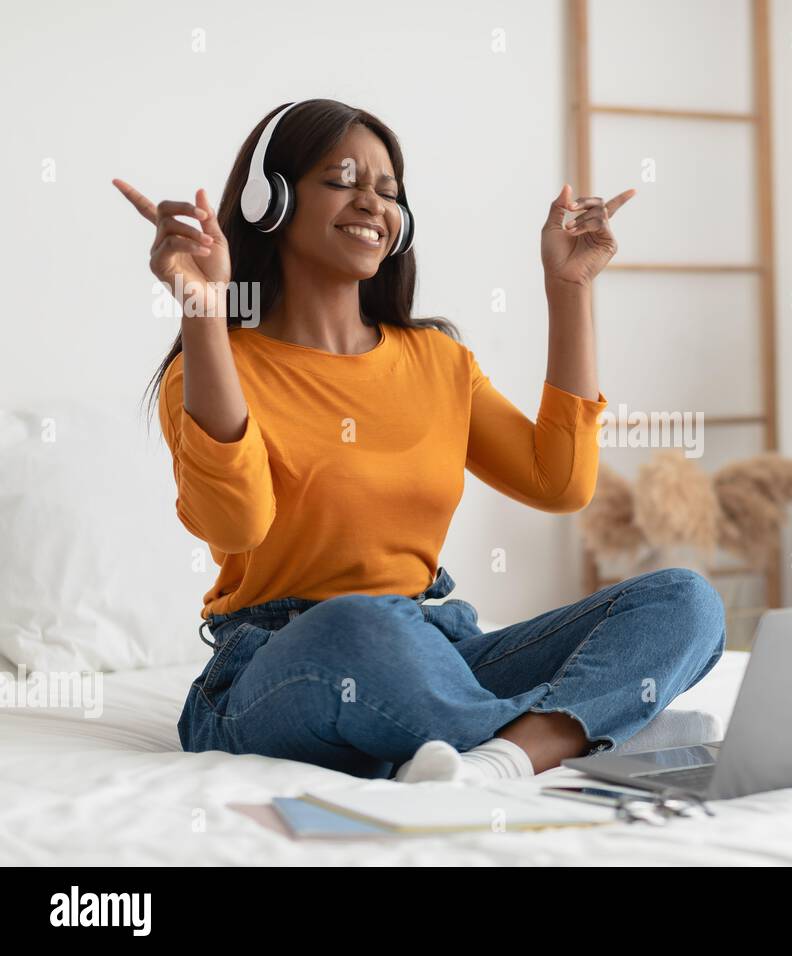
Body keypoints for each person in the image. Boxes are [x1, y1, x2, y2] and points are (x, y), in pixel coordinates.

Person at [113, 98, 725, 784]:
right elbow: (238, 521)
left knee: (683, 601)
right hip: (286, 663)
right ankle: (578, 728)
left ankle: (502, 757)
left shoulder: (437, 360)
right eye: (342, 180)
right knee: (360, 628)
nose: (372, 202)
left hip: (434, 647)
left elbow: (560, 484)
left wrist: (569, 287)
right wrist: (203, 309)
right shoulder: (215, 368)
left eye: (389, 191)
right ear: (270, 201)